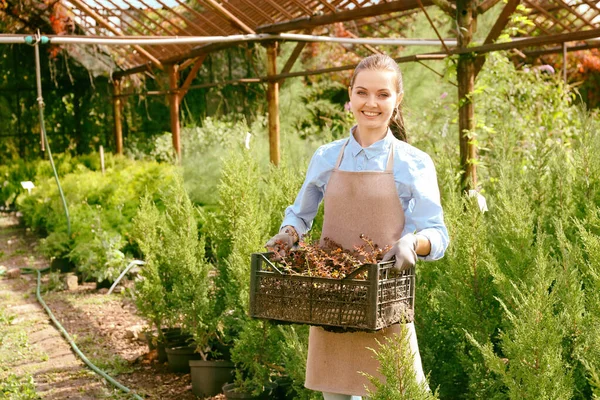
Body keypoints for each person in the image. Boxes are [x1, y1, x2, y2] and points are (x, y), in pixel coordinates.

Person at [265, 54, 449, 400]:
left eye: (382, 94)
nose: (371, 103)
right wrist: (288, 234)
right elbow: (300, 216)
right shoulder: (326, 156)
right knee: (335, 394)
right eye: (362, 92)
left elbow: (437, 234)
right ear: (349, 97)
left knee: (397, 391)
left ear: (397, 100)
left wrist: (412, 243)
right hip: (332, 301)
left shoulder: (414, 163)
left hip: (385, 302)